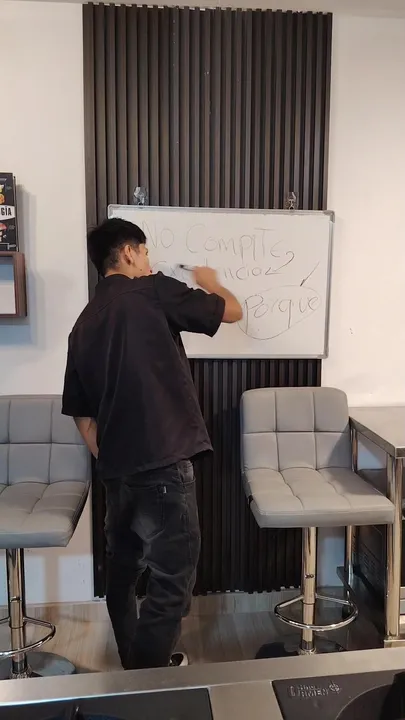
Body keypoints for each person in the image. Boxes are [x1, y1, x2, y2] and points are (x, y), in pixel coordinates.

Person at [62, 218, 242, 670]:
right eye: (144, 252)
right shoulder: (152, 290)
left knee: (123, 572)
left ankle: (134, 666)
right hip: (163, 463)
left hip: (116, 470)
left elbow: (81, 414)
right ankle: (146, 680)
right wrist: (210, 281)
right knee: (173, 577)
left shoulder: (82, 324)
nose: (149, 261)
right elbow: (231, 311)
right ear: (128, 252)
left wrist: (112, 455)